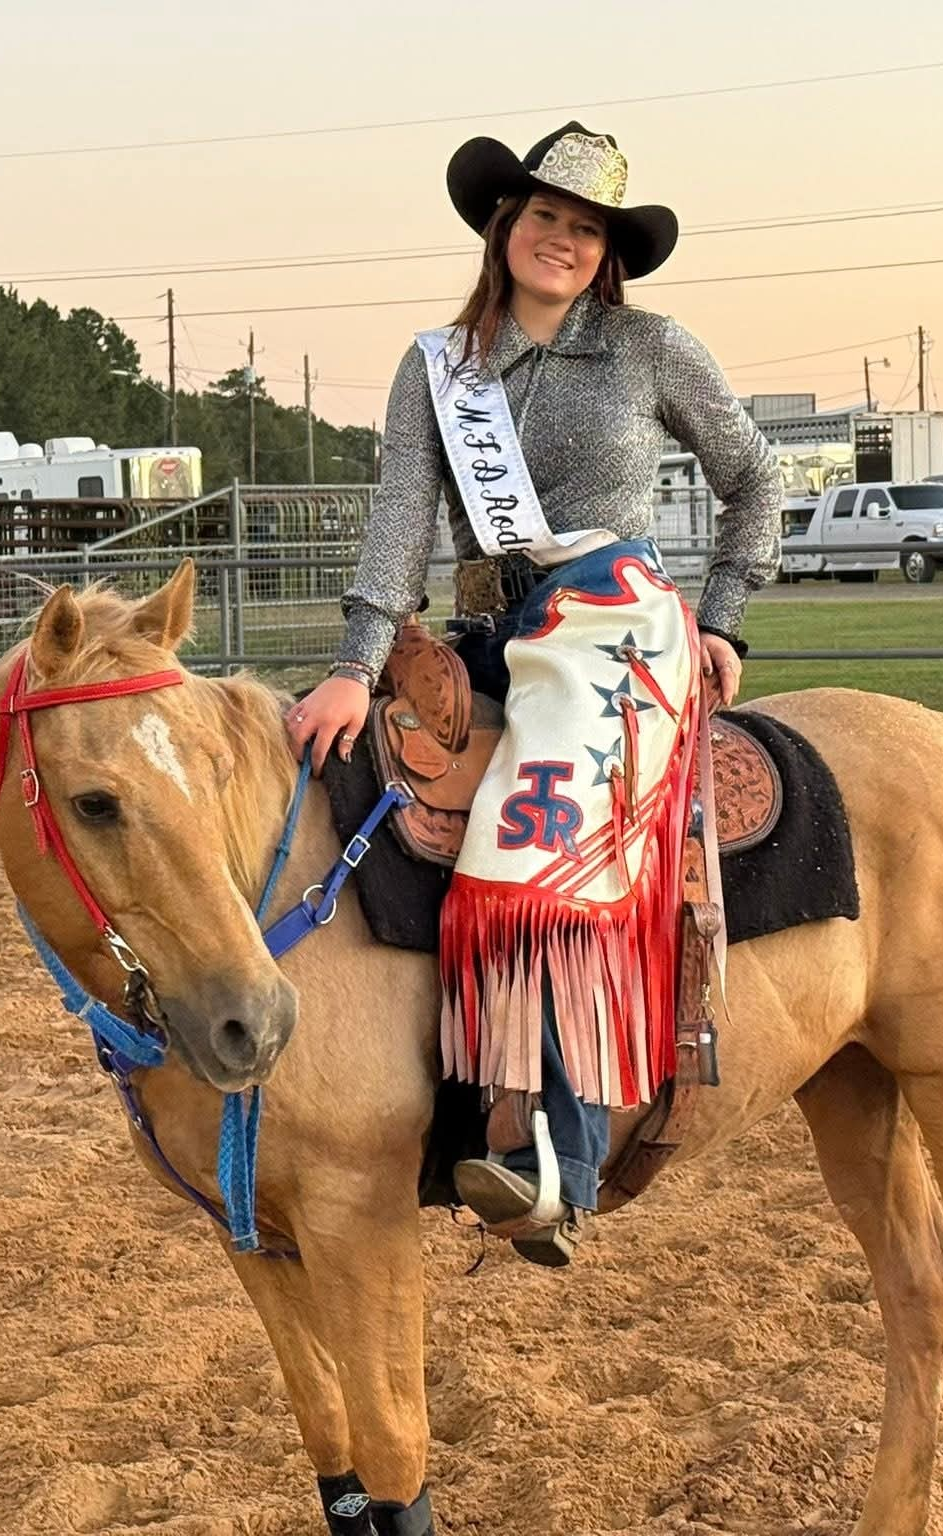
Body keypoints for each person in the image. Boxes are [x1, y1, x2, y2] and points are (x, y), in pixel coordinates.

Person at [288, 123, 781, 1265]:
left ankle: (554, 1153)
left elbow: (755, 475)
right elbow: (402, 514)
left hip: (608, 620)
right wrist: (356, 666)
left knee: (535, 841)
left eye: (585, 226)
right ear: (503, 225)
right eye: (544, 215)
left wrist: (723, 615)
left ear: (605, 251)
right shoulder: (437, 368)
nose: (560, 238)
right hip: (478, 630)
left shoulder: (650, 347)